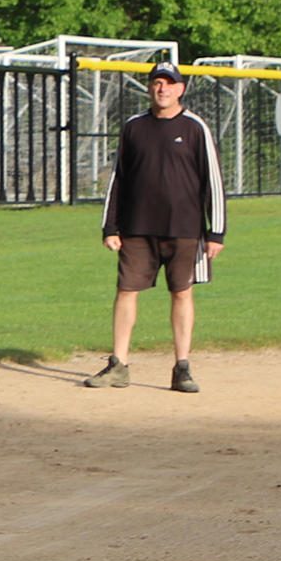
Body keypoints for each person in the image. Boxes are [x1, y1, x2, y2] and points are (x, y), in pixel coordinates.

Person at [85, 60, 226, 394]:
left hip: (184, 227)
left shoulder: (195, 128)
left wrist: (215, 232)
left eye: (169, 83)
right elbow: (118, 178)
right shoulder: (134, 127)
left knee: (181, 292)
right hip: (137, 227)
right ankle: (118, 365)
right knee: (126, 291)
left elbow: (213, 182)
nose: (162, 88)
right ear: (149, 88)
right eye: (156, 83)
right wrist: (110, 226)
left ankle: (182, 368)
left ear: (181, 89)